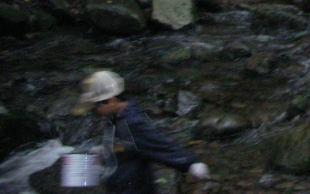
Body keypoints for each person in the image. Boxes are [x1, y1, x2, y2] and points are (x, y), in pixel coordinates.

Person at [74, 70, 211, 194]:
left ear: (110, 100)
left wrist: (190, 164)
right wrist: (106, 150)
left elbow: (157, 144)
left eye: (95, 107)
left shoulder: (131, 122)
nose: (96, 111)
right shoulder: (117, 118)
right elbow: (127, 146)